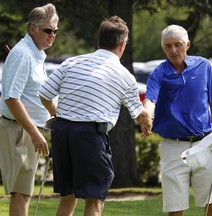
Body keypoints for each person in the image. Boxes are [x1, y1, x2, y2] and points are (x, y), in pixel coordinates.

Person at [38, 15, 152, 216]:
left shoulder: (71, 62)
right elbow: (139, 115)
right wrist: (147, 122)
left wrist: (57, 115)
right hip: (90, 135)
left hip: (62, 132)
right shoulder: (124, 75)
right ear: (122, 44)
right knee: (94, 201)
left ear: (100, 40)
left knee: (67, 198)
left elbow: (45, 94)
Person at [143, 24, 212, 216]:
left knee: (211, 204)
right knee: (175, 208)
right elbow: (150, 100)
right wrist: (146, 117)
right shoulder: (158, 74)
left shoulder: (203, 66)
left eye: (178, 45)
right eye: (168, 46)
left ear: (187, 44)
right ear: (163, 48)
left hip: (205, 144)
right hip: (172, 147)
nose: (173, 50)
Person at [0, 3, 59, 216]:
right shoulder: (24, 54)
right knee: (21, 193)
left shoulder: (35, 54)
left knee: (23, 192)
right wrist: (34, 133)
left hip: (27, 129)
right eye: (48, 30)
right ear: (32, 28)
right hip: (20, 130)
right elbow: (12, 98)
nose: (52, 35)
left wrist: (56, 114)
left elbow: (37, 95)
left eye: (55, 31)